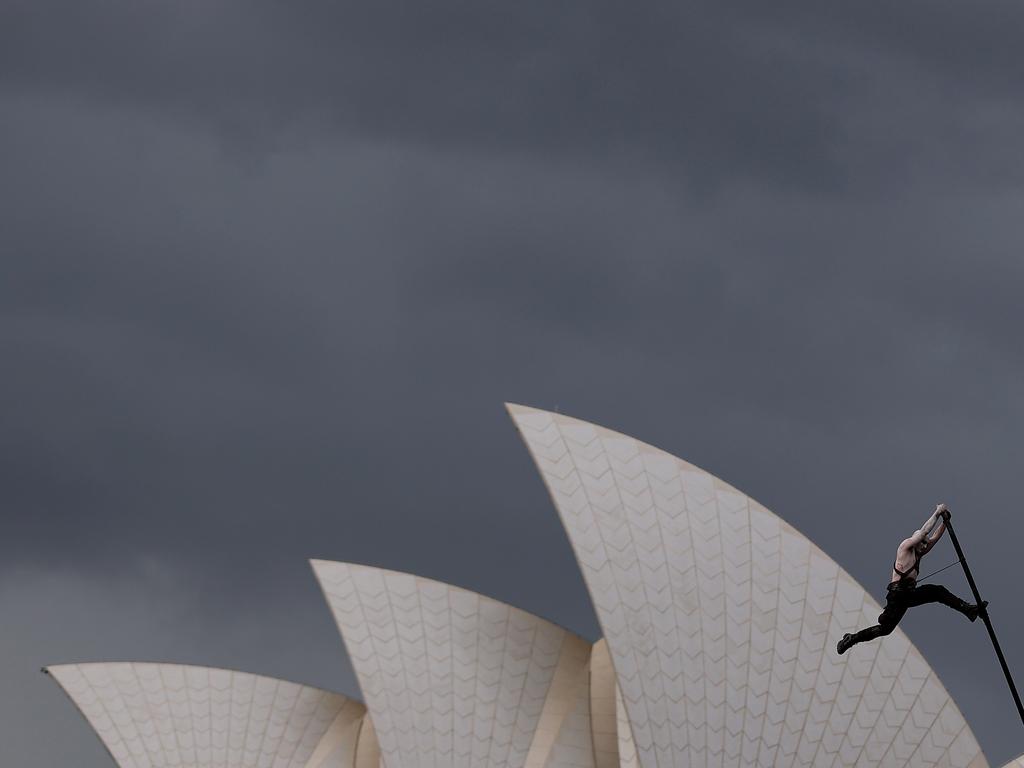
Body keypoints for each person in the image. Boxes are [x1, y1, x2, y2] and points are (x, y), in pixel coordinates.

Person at [837, 504, 985, 655]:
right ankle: (852, 639)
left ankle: (969, 610)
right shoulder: (905, 547)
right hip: (897, 596)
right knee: (885, 629)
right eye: (922, 543)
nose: (925, 546)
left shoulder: (919, 552)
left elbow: (933, 538)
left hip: (908, 595)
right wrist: (938, 512)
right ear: (916, 541)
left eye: (925, 544)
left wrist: (945, 523)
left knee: (937, 591)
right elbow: (924, 532)